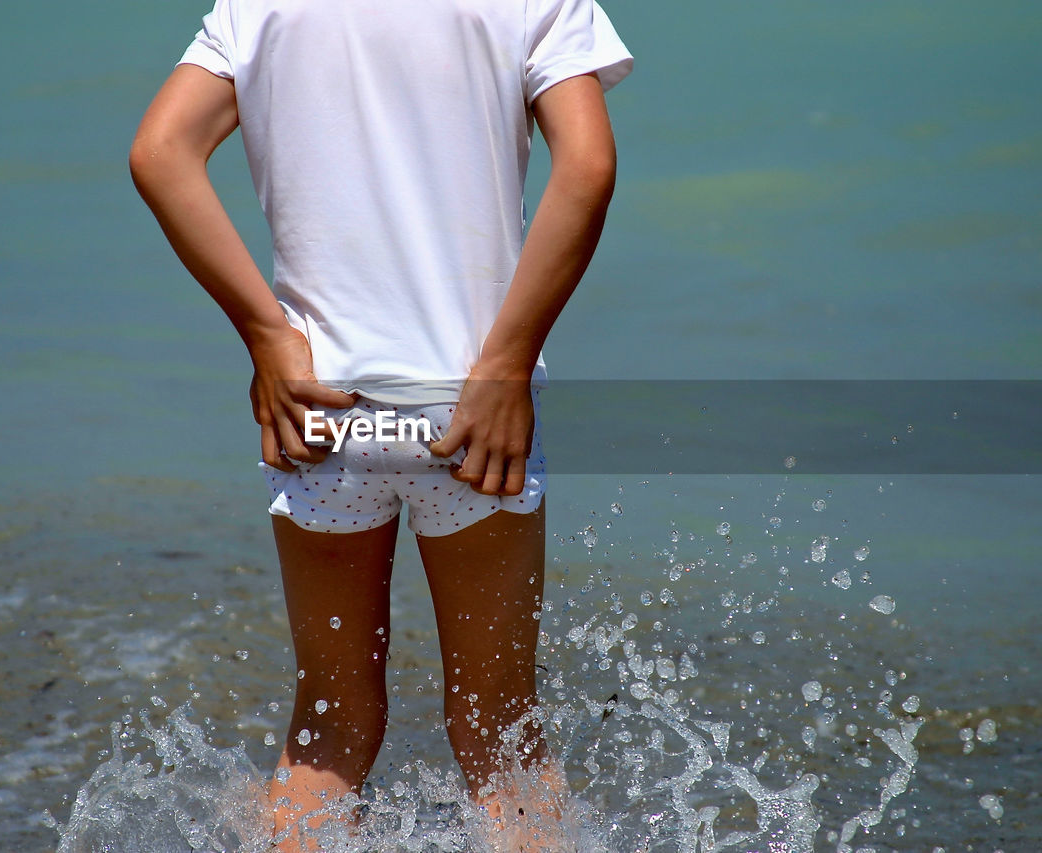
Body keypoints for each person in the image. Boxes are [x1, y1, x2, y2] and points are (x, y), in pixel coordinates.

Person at [129, 0, 630, 848]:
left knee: (327, 733)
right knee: (500, 735)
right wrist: (508, 363)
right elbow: (586, 164)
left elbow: (159, 151)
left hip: (321, 411)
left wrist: (266, 335)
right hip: (472, 413)